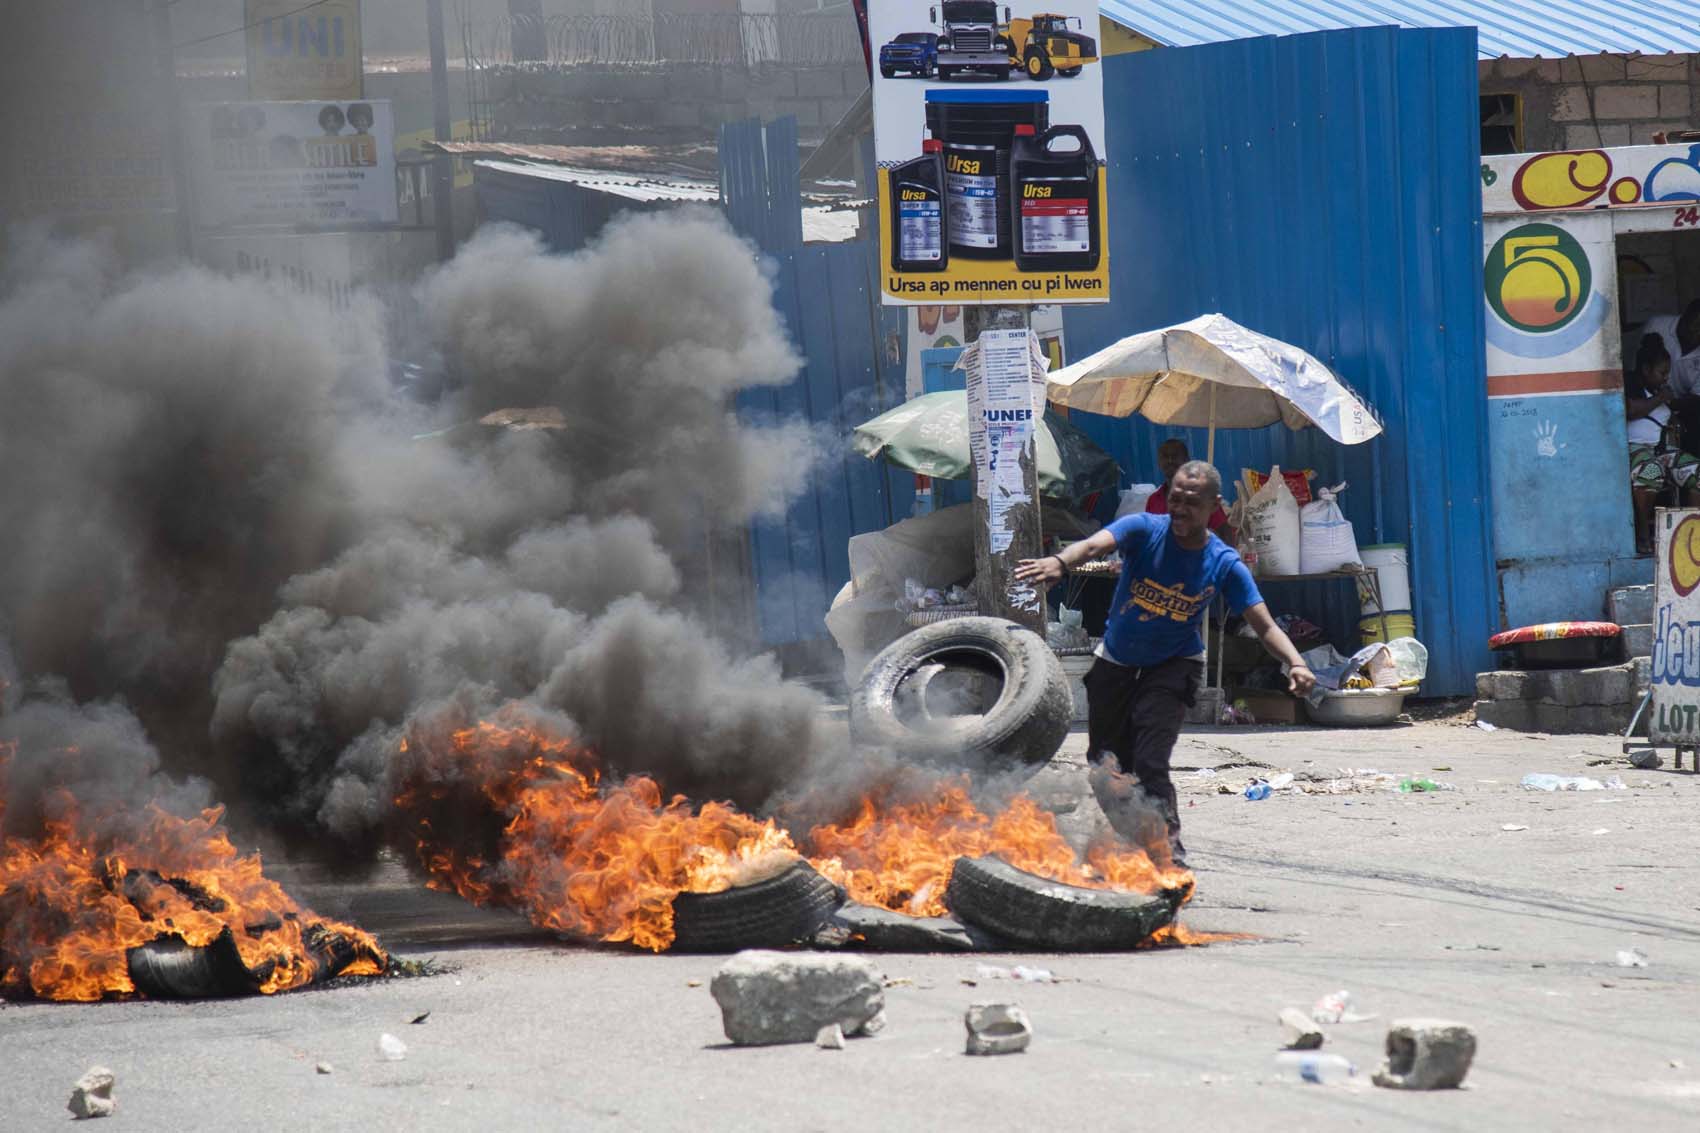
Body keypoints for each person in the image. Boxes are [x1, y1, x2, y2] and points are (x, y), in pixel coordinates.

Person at [1015, 460, 1316, 867]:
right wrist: (1061, 563)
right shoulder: (1143, 528)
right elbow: (1094, 544)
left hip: (1174, 664)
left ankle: (1167, 852)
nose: (1180, 509)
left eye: (1192, 502)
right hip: (1117, 660)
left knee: (1150, 760)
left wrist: (1295, 663)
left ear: (1214, 506)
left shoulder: (1223, 562)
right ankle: (1133, 841)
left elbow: (1262, 624)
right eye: (1175, 498)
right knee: (1105, 770)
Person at [1625, 334, 1699, 554]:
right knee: (1650, 473)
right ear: (1646, 369)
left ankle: (1690, 534)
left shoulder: (1660, 391)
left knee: (1697, 473)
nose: (1666, 378)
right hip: (1636, 449)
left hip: (1663, 450)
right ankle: (1643, 534)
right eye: (1662, 372)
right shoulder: (1630, 384)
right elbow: (1630, 410)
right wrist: (1660, 399)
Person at [1146, 439, 1231, 538]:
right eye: (1165, 456)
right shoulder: (1153, 501)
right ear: (1159, 462)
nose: (1170, 461)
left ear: (1186, 461)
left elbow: (1226, 534)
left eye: (1175, 456)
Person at [1643, 299, 1700, 397]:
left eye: (1698, 328)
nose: (1691, 329)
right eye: (1690, 323)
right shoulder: (1656, 325)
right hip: (1643, 396)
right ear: (1683, 316)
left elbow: (1695, 399)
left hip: (1677, 406)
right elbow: (1638, 366)